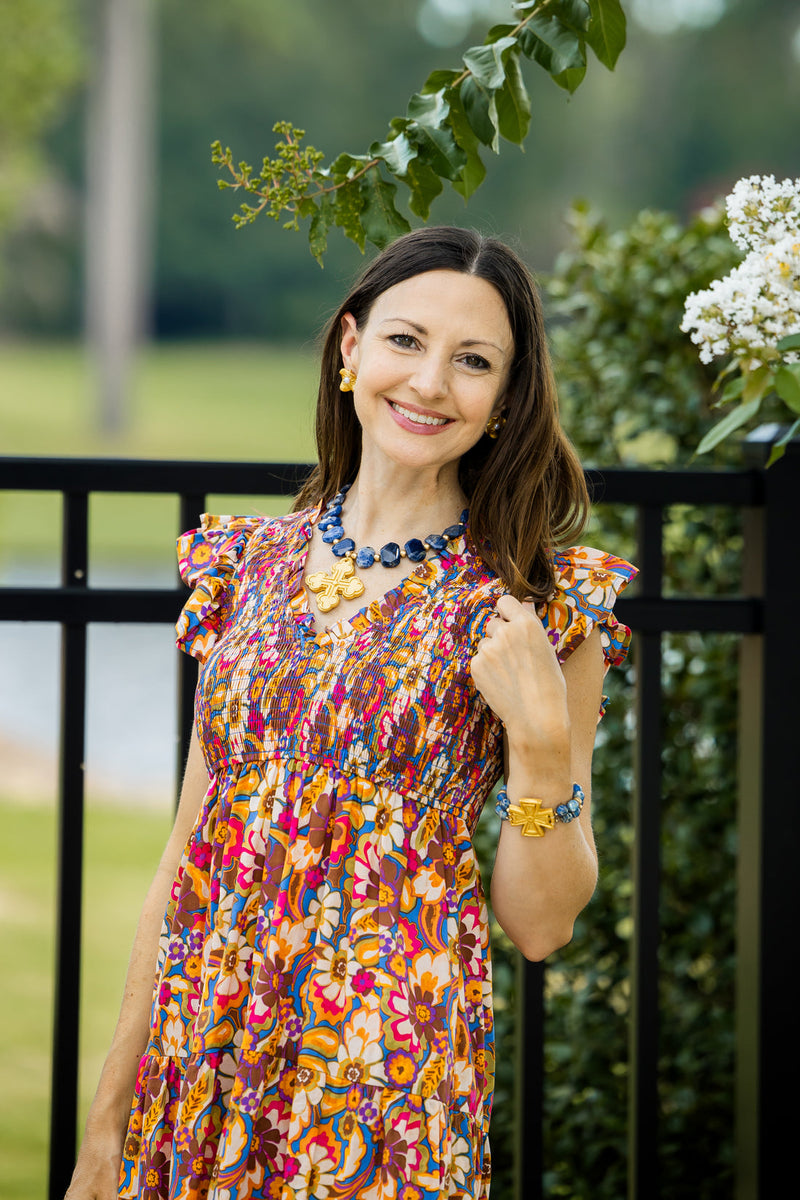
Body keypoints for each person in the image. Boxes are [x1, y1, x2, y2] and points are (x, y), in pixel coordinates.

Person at [65, 225, 636, 1200]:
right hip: (203, 1054)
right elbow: (188, 851)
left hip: (382, 1080)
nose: (426, 383)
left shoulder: (532, 609)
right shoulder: (244, 568)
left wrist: (540, 748)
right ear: (349, 349)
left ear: (503, 400)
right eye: (404, 341)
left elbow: (539, 927)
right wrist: (106, 1122)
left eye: (472, 362)